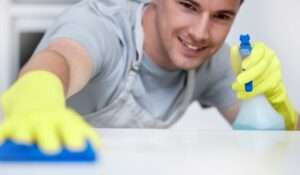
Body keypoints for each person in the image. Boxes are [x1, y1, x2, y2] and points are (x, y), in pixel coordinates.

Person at [0, 0, 299, 154]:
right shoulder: (104, 26)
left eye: (221, 16)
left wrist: (276, 107)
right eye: (187, 5)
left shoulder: (216, 60)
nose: (200, 32)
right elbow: (60, 58)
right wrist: (38, 96)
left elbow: (271, 143)